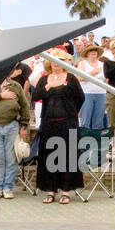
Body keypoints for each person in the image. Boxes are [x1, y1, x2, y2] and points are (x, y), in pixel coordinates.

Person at [34, 50, 84, 204]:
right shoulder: (44, 79)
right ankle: (50, 190)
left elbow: (80, 98)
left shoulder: (71, 78)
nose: (56, 63)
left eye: (60, 60)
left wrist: (72, 112)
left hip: (67, 124)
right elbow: (35, 96)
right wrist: (47, 88)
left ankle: (66, 191)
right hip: (49, 124)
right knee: (50, 155)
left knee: (67, 156)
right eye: (54, 60)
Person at [0, 71, 30, 199]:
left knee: (11, 158)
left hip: (12, 125)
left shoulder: (15, 85)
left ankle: (7, 188)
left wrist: (24, 125)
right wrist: (1, 96)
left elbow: (24, 106)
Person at [75, 41, 107, 132]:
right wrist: (94, 72)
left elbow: (106, 80)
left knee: (98, 121)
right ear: (87, 53)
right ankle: (84, 143)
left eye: (95, 50)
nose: (94, 52)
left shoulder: (102, 64)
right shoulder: (82, 63)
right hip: (86, 94)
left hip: (101, 94)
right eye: (91, 50)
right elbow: (80, 78)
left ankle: (95, 143)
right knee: (85, 120)